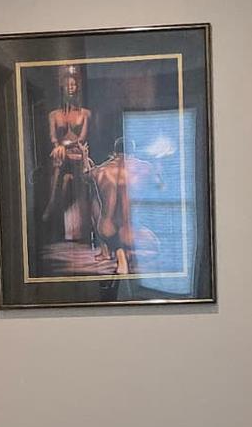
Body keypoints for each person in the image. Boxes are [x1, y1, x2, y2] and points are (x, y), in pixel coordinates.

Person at [90, 137, 163, 274]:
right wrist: (157, 165)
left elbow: (86, 176)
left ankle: (120, 253)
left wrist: (85, 159)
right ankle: (125, 253)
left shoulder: (100, 169)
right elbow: (159, 186)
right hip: (130, 232)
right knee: (156, 246)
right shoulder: (145, 167)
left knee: (95, 199)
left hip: (106, 230)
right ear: (133, 151)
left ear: (114, 152)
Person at [41, 65, 93, 242]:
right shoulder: (54, 115)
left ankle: (85, 228)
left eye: (74, 85)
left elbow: (82, 138)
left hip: (79, 155)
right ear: (62, 88)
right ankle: (52, 206)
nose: (71, 88)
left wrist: (64, 144)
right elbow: (53, 138)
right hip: (61, 157)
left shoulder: (86, 113)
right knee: (59, 166)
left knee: (80, 178)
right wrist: (59, 146)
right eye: (68, 85)